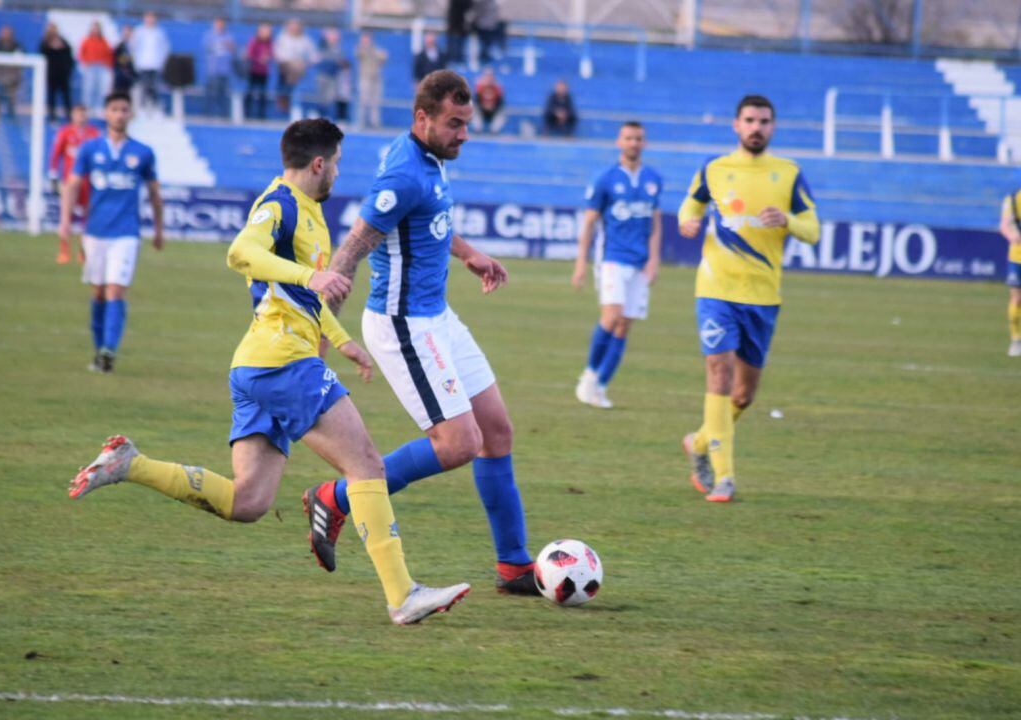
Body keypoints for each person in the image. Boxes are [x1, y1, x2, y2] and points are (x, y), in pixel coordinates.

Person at [67, 118, 470, 626]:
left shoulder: (311, 216)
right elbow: (241, 253)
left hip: (260, 362)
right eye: (338, 163)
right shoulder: (278, 203)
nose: (339, 174)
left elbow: (301, 296)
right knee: (366, 465)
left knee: (249, 500)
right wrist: (312, 274)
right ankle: (402, 594)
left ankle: (130, 464)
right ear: (319, 163)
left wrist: (344, 343)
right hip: (281, 362)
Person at [307, 70, 540, 597]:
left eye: (466, 123)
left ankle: (513, 565)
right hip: (403, 325)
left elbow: (430, 218)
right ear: (423, 118)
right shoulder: (403, 175)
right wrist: (320, 327)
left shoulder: (428, 160)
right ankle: (337, 497)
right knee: (459, 443)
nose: (463, 134)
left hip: (438, 316)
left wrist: (469, 253)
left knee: (496, 431)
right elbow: (354, 248)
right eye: (454, 124)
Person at [677, 95, 820, 502]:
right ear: (736, 125)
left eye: (764, 121)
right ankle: (724, 477)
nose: (757, 127)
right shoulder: (715, 169)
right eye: (750, 120)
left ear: (772, 127)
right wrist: (686, 220)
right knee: (718, 373)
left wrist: (789, 220)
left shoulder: (788, 174)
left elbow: (813, 229)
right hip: (716, 289)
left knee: (743, 395)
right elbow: (691, 203)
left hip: (762, 296)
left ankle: (701, 442)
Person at [58, 92, 164, 373]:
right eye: (114, 109)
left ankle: (109, 351)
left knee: (116, 289)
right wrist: (65, 222)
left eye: (124, 110)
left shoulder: (143, 152)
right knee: (99, 292)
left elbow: (155, 193)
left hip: (127, 233)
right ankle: (99, 349)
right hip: (95, 231)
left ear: (131, 115)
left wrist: (159, 229)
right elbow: (72, 185)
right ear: (105, 113)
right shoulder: (90, 149)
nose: (119, 114)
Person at [572, 121, 662, 409]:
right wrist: (581, 264)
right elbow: (589, 223)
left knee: (624, 325)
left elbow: (656, 223)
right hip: (612, 257)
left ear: (644, 143)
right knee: (612, 316)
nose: (633, 143)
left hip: (640, 261)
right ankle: (588, 376)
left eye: (638, 138)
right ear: (619, 142)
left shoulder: (653, 178)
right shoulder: (605, 179)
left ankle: (599, 387)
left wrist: (654, 258)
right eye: (628, 138)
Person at [49, 103, 100, 264]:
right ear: (72, 115)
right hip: (69, 181)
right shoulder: (65, 132)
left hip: (88, 181)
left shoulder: (94, 134)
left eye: (84, 114)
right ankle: (64, 251)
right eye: (78, 114)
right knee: (66, 216)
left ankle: (83, 252)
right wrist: (53, 175)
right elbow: (56, 154)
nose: (81, 117)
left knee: (88, 217)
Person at [272, 19, 315, 114]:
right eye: (292, 26)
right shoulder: (282, 38)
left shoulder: (305, 39)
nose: (294, 28)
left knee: (297, 67)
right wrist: (290, 61)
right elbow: (278, 54)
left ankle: (291, 99)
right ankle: (286, 99)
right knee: (291, 69)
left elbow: (313, 55)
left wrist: (306, 62)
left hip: (299, 67)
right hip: (285, 66)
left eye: (296, 26)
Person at [130, 11, 169, 112]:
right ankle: (143, 108)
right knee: (144, 87)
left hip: (155, 65)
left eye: (152, 18)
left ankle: (154, 107)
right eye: (148, 18)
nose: (150, 20)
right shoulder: (139, 31)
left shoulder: (159, 32)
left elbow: (165, 49)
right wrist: (136, 62)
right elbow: (133, 47)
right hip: (143, 64)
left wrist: (161, 63)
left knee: (155, 87)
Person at [998, 187, 1021, 357]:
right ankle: (1016, 339)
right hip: (1017, 257)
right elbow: (1004, 226)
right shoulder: (1013, 200)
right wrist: (1012, 236)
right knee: (1017, 298)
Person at [40, 23, 74, 122]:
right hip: (51, 75)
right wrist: (51, 47)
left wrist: (61, 47)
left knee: (66, 96)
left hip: (63, 74)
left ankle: (69, 115)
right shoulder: (45, 43)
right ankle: (52, 115)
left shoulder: (63, 41)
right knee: (51, 95)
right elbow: (42, 54)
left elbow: (69, 53)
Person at [202, 17, 235, 118]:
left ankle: (224, 115)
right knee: (211, 93)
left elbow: (233, 49)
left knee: (223, 94)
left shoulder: (228, 36)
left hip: (224, 70)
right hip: (213, 70)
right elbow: (207, 48)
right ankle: (207, 114)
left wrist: (228, 45)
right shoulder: (209, 35)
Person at [78, 21, 113, 114]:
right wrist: (85, 62)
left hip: (101, 67)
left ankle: (98, 108)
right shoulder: (87, 40)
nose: (95, 30)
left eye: (97, 28)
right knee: (89, 88)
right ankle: (87, 108)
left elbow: (108, 53)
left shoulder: (104, 41)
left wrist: (108, 65)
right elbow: (81, 53)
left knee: (100, 88)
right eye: (94, 28)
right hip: (90, 66)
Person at [355, 31, 387, 129]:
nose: (366, 41)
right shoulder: (360, 49)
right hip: (365, 79)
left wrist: (378, 54)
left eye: (367, 38)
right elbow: (360, 54)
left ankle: (375, 123)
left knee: (375, 102)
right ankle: (361, 122)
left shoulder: (376, 49)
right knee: (363, 101)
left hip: (376, 79)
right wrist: (366, 47)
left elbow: (384, 57)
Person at [244, 23, 273, 120]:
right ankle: (246, 114)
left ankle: (261, 116)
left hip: (264, 72)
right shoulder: (254, 42)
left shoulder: (270, 43)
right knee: (250, 93)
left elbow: (272, 54)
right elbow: (249, 54)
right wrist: (258, 59)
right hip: (253, 71)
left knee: (262, 95)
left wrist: (268, 58)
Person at [314, 27, 344, 120]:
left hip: (333, 75)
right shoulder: (323, 45)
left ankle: (327, 116)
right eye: (332, 35)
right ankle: (318, 115)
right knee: (322, 97)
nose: (334, 37)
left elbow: (340, 61)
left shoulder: (338, 48)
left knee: (330, 98)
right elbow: (320, 55)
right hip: (323, 74)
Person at [0, 24, 22, 119]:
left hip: (12, 78)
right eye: (4, 33)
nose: (6, 35)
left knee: (11, 98)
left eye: (8, 33)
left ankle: (12, 115)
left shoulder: (16, 46)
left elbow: (22, 60)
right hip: (0, 78)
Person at [473, 66, 503, 133]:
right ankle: (477, 130)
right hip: (482, 109)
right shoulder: (480, 86)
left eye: (490, 75)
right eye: (487, 76)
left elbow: (500, 102)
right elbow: (476, 100)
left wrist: (493, 107)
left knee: (502, 113)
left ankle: (494, 131)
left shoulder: (497, 87)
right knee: (474, 110)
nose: (489, 78)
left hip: (494, 110)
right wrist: (483, 107)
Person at [112, 25, 137, 94]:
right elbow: (117, 58)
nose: (127, 34)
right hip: (121, 73)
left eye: (129, 32)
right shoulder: (119, 45)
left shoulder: (135, 45)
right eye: (125, 32)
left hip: (131, 74)